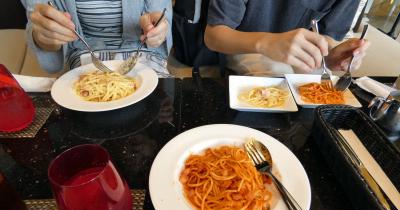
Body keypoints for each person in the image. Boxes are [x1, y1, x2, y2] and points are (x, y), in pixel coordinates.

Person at [204, 0, 370, 76]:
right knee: (276, 72)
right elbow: (213, 36)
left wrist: (333, 55)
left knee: (317, 86)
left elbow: (328, 37)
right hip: (244, 44)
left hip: (301, 53)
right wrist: (267, 42)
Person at [20, 0, 172, 76]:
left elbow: (160, 20)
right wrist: (45, 38)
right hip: (83, 55)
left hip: (145, 53)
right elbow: (39, 21)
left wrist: (158, 30)